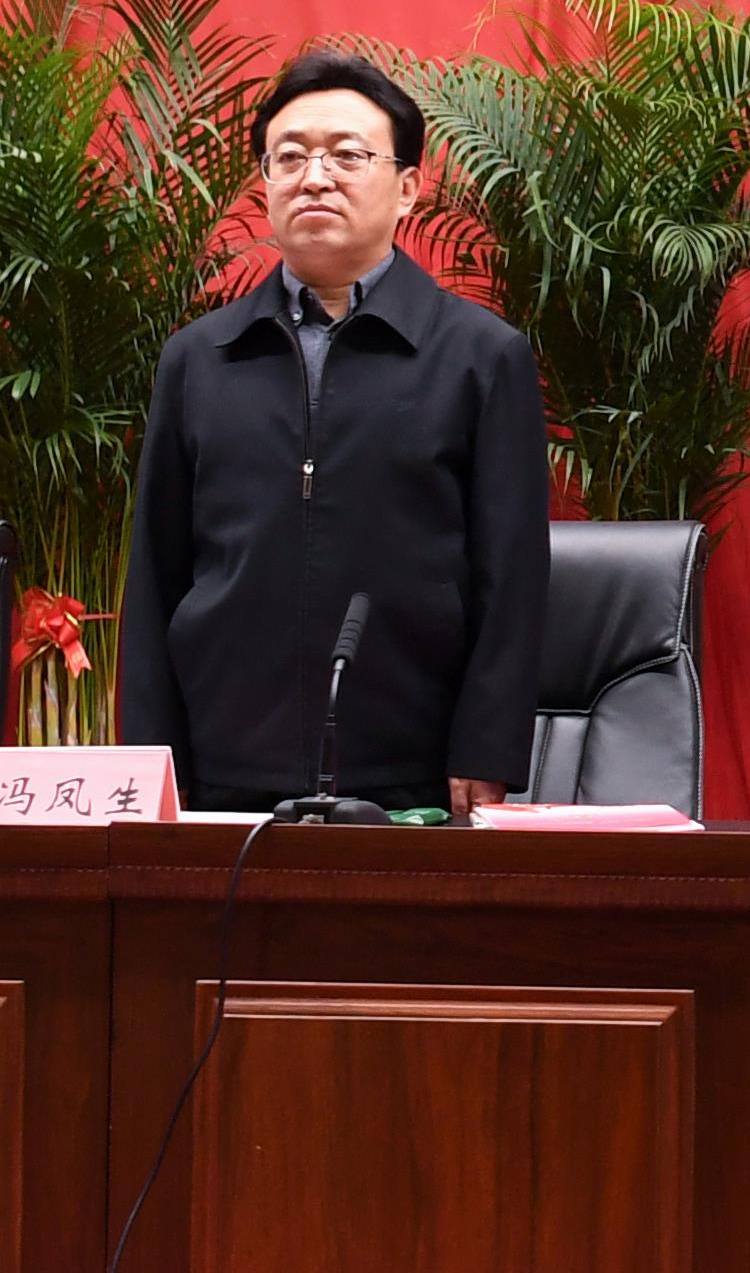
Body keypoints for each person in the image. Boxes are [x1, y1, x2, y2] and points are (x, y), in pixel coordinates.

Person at [123, 52, 550, 812]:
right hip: (224, 762)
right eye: (289, 157)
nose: (314, 177)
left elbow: (511, 575)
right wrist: (150, 758)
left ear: (408, 187)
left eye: (347, 155)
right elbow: (157, 572)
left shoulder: (480, 356)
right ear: (265, 183)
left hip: (410, 764)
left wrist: (486, 747)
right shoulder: (200, 357)